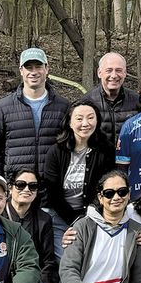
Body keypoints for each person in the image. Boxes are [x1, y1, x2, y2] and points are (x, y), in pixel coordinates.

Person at [0, 47, 70, 178]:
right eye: (29, 67)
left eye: (38, 66)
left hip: (52, 186)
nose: (34, 72)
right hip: (17, 187)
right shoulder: (2, 108)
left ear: (46, 69)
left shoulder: (64, 107)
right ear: (21, 70)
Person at [44, 100, 116, 245]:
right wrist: (74, 220)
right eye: (79, 118)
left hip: (93, 215)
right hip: (59, 216)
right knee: (67, 259)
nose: (85, 123)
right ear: (69, 122)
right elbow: (52, 193)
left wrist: (87, 216)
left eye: (90, 118)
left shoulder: (105, 150)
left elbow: (106, 187)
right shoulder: (56, 151)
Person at [3, 170, 60, 283]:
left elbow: (48, 261)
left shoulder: (43, 219)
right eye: (20, 185)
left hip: (31, 280)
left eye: (32, 186)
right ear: (10, 188)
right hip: (0, 280)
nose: (26, 189)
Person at [82, 52, 140, 141]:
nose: (113, 75)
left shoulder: (138, 101)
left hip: (129, 154)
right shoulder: (87, 102)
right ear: (99, 73)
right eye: (109, 70)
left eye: (118, 70)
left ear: (125, 73)